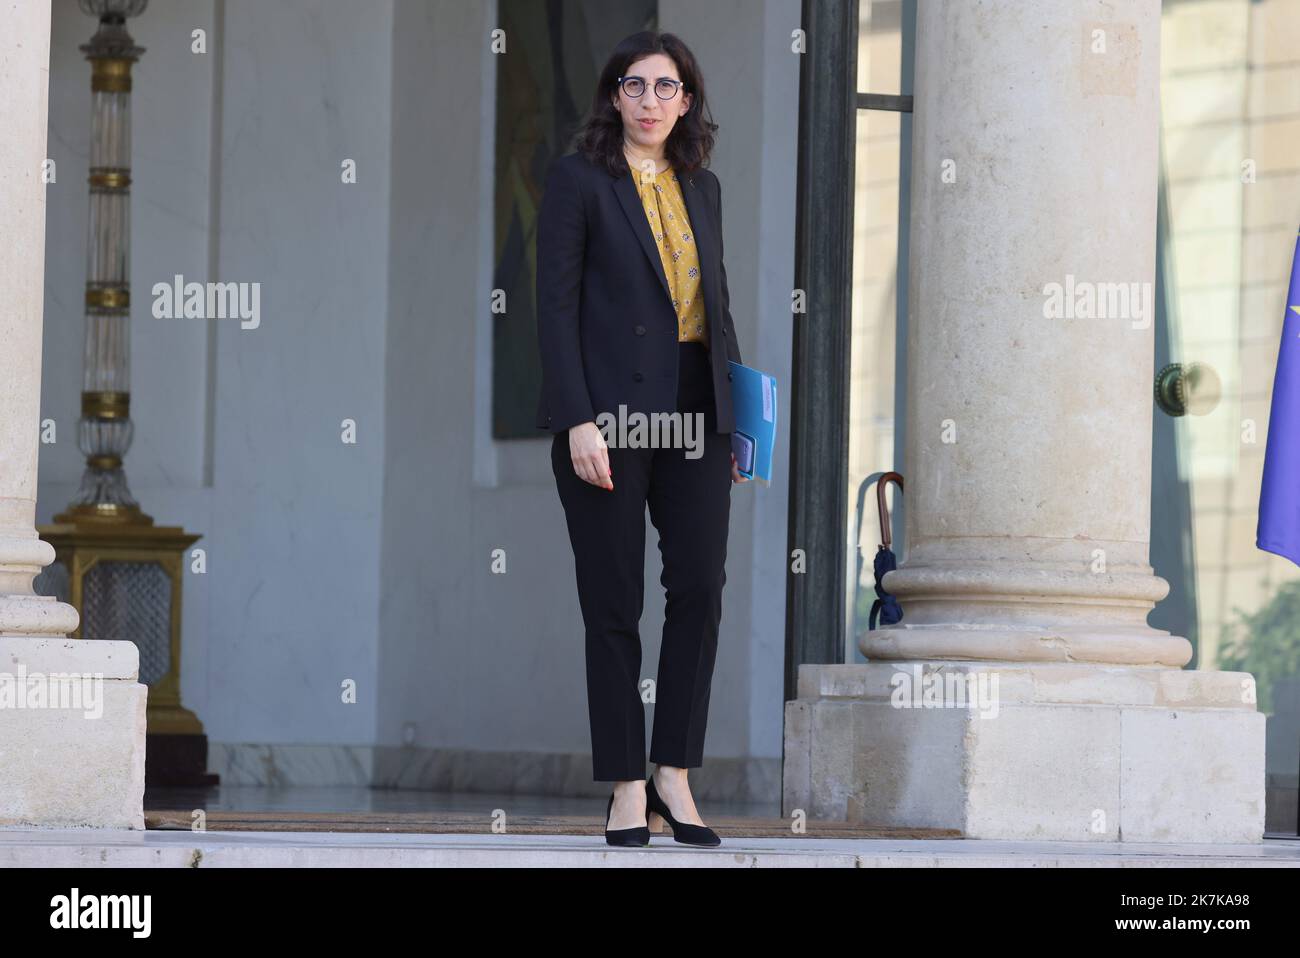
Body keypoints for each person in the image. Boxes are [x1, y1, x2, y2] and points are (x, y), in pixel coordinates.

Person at [534, 30, 748, 847]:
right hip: (610, 421)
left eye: (667, 87)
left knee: (700, 586)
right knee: (613, 600)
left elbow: (715, 311)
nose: (650, 101)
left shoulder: (706, 187)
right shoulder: (577, 180)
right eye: (635, 86)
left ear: (687, 100)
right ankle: (625, 784)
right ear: (613, 96)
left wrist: (736, 421)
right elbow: (553, 310)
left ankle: (674, 775)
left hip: (697, 414)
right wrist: (576, 418)